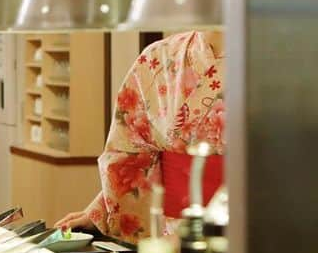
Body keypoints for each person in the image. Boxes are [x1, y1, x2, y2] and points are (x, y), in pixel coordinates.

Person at [56, 30, 225, 241]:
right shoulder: (158, 56)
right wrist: (101, 210)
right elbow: (133, 154)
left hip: (244, 227)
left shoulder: (273, 58)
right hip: (166, 231)